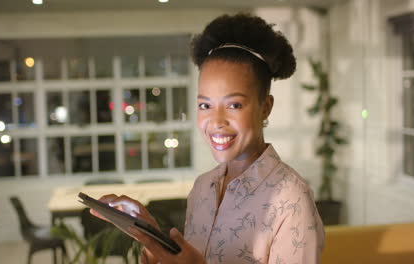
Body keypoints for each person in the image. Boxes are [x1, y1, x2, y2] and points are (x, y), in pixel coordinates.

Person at [91, 13, 325, 264]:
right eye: (205, 105)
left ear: (265, 106)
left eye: (234, 105)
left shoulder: (291, 201)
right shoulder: (202, 188)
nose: (216, 121)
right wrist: (151, 237)